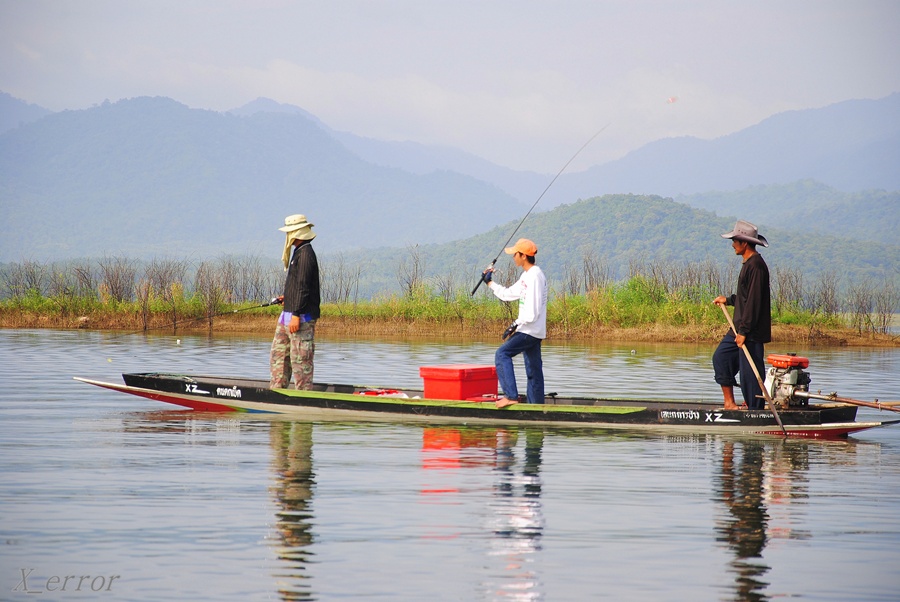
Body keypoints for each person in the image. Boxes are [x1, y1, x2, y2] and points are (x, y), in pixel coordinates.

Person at [712, 220, 771, 410]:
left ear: (744, 243)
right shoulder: (748, 264)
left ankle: (755, 410)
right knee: (721, 358)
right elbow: (745, 297)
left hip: (749, 332)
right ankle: (729, 403)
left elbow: (754, 302)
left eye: (735, 241)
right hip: (738, 328)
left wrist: (744, 331)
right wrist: (728, 300)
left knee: (750, 375)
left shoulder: (756, 266)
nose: (732, 245)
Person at [483, 238, 548, 409]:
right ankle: (536, 406)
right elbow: (509, 294)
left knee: (502, 354)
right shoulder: (526, 275)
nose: (513, 258)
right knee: (533, 370)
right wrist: (490, 283)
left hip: (529, 330)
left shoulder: (535, 276)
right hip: (531, 330)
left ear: (523, 256)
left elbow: (533, 313)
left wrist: (514, 325)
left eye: (515, 255)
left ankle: (511, 396)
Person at [270, 214, 321, 390]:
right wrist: (288, 297)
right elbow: (296, 285)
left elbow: (304, 286)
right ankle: (277, 393)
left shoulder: (306, 254)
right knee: (279, 358)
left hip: (301, 319)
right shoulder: (297, 253)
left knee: (301, 362)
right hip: (287, 316)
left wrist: (296, 314)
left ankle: (304, 398)